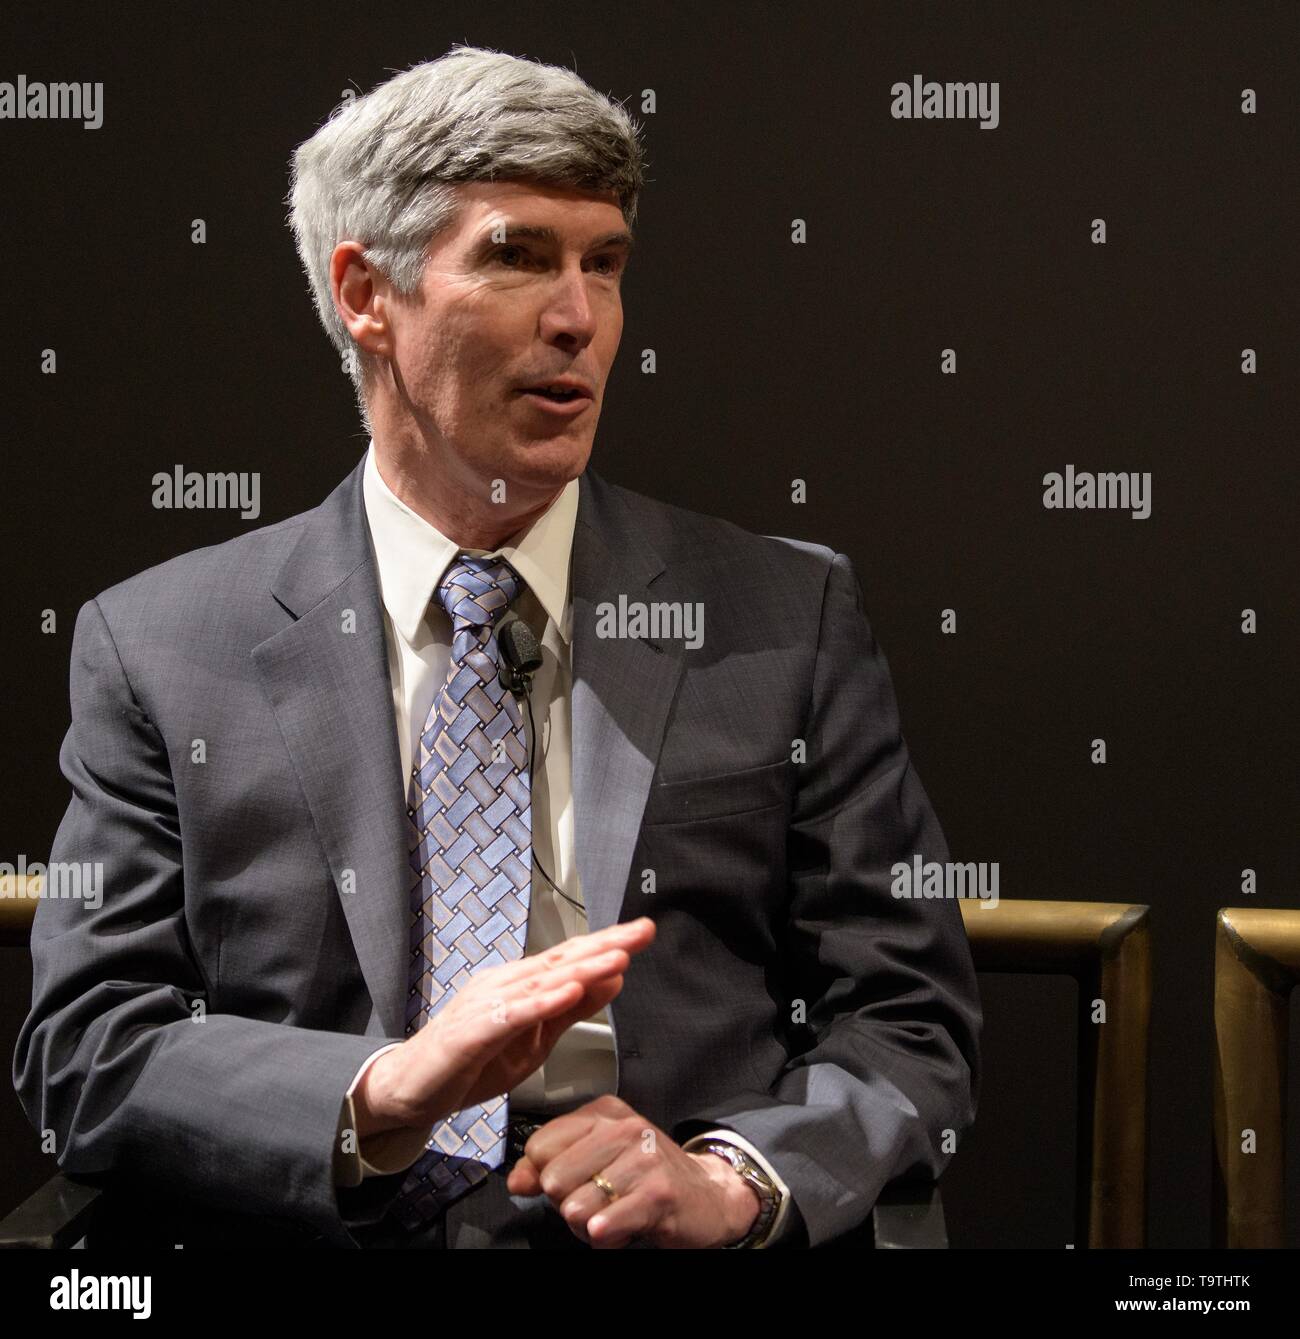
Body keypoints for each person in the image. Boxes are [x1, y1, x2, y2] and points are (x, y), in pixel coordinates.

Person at [13, 43, 981, 1250]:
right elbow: (90, 1046)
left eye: (605, 265)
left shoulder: (783, 616)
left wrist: (733, 1181)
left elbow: (907, 1015)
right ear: (368, 294)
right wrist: (382, 1096)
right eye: (517, 257)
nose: (579, 319)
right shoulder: (162, 644)